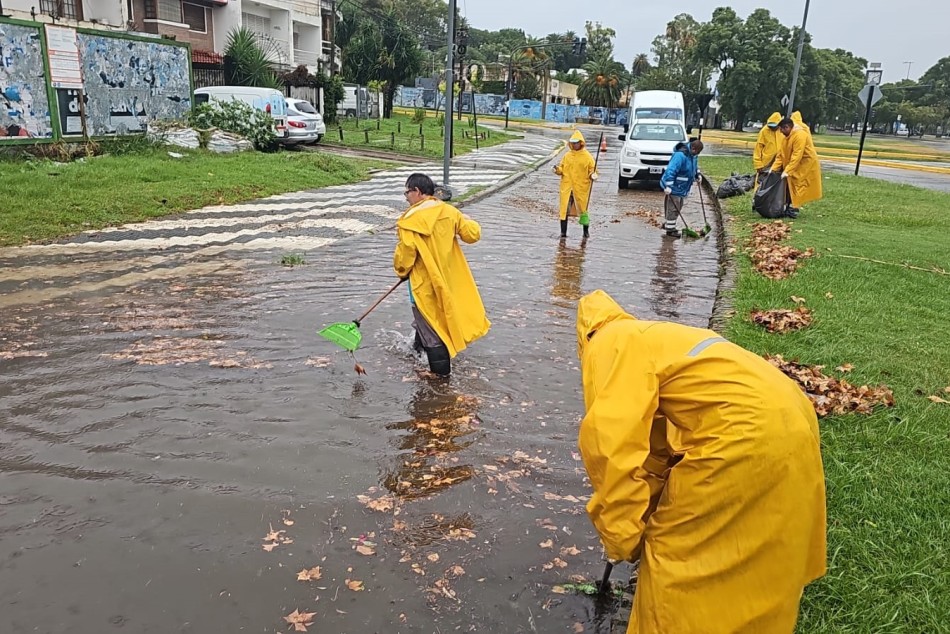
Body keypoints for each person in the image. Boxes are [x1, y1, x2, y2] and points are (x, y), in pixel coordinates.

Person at [575, 289, 827, 634]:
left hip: (740, 432)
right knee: (755, 547)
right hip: (792, 416)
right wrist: (642, 510)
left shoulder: (608, 346)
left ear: (583, 337)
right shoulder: (655, 337)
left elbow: (610, 450)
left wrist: (622, 537)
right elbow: (655, 449)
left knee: (676, 555)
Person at [393, 173, 490, 376]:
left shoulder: (409, 221)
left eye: (407, 192)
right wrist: (466, 220)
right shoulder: (450, 212)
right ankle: (416, 350)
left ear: (417, 192)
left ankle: (440, 379)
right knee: (434, 319)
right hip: (448, 279)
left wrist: (401, 272)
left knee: (430, 328)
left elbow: (406, 257)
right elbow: (473, 235)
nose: (406, 197)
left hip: (423, 283)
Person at [771, 116, 823, 218]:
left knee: (798, 186)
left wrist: (787, 171)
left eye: (781, 129)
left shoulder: (800, 135)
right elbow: (781, 155)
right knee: (789, 185)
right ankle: (789, 207)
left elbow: (797, 155)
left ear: (787, 127)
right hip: (795, 164)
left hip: (805, 165)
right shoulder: (787, 137)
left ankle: (793, 208)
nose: (780, 132)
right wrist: (773, 169)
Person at [553, 130, 598, 239]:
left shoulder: (587, 156)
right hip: (567, 187)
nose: (575, 144)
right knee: (564, 210)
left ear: (581, 142)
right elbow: (561, 169)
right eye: (573, 142)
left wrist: (593, 175)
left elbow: (593, 169)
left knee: (583, 209)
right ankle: (563, 233)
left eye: (577, 142)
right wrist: (556, 169)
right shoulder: (567, 156)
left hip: (581, 188)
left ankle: (585, 232)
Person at [658, 139, 703, 238]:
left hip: (682, 186)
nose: (697, 154)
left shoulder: (693, 156)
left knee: (678, 207)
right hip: (674, 186)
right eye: (697, 152)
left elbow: (694, 167)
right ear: (693, 148)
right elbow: (671, 170)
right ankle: (670, 230)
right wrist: (668, 186)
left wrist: (697, 174)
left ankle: (668, 224)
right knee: (674, 208)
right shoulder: (680, 155)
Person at [752, 112, 782, 184]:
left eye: (774, 126)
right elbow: (758, 148)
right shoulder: (764, 131)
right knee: (762, 182)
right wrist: (758, 164)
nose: (772, 128)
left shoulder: (782, 130)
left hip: (779, 161)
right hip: (766, 162)